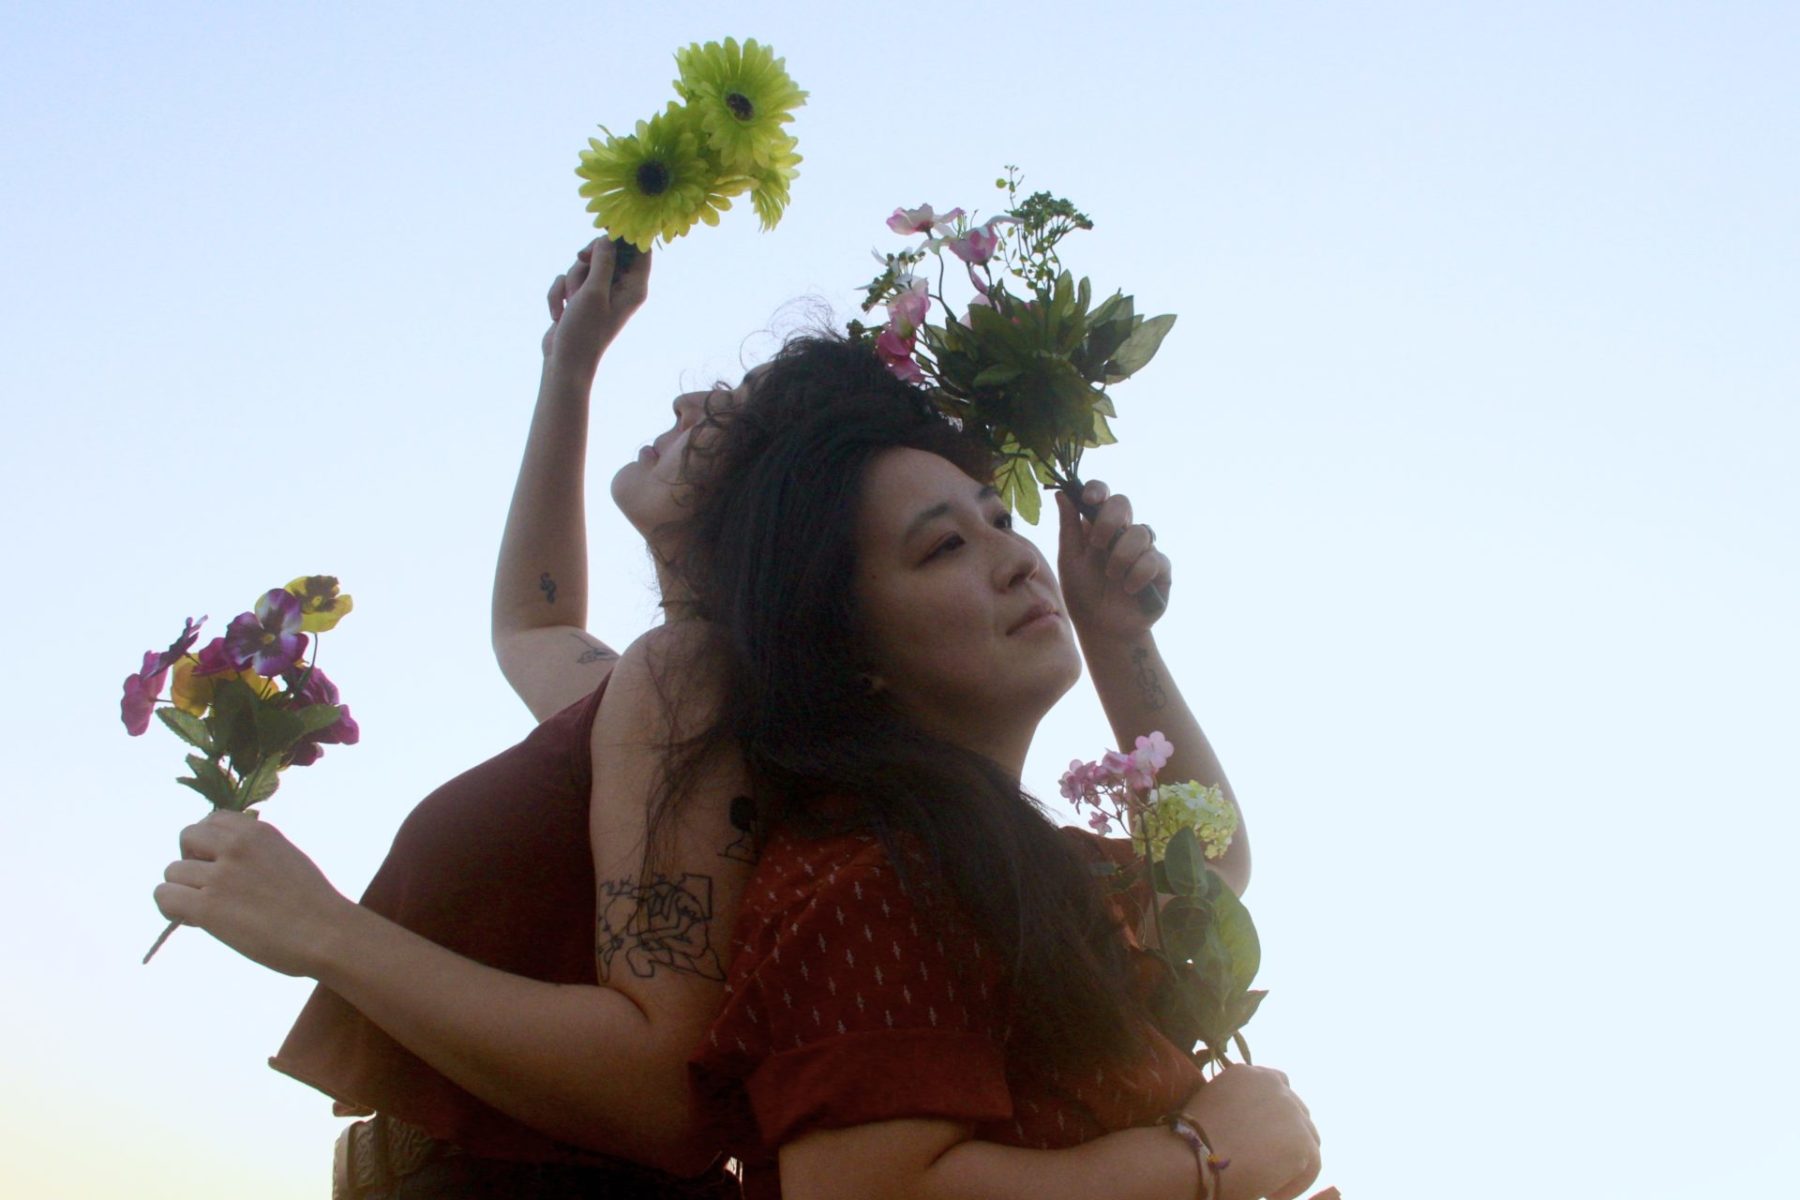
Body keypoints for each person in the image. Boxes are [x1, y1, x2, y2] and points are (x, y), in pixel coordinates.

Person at [622, 336, 1325, 1200]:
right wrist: (1205, 1160)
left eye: (1000, 520)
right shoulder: (871, 880)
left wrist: (1119, 635)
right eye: (944, 547)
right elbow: (867, 1193)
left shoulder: (1001, 859)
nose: (1020, 557)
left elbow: (1208, 867)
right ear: (848, 649)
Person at [154, 238, 753, 1198]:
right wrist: (571, 367)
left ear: (791, 504)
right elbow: (536, 621)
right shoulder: (650, 692)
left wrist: (318, 928)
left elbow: (666, 1091)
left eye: (743, 405)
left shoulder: (695, 686)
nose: (694, 401)